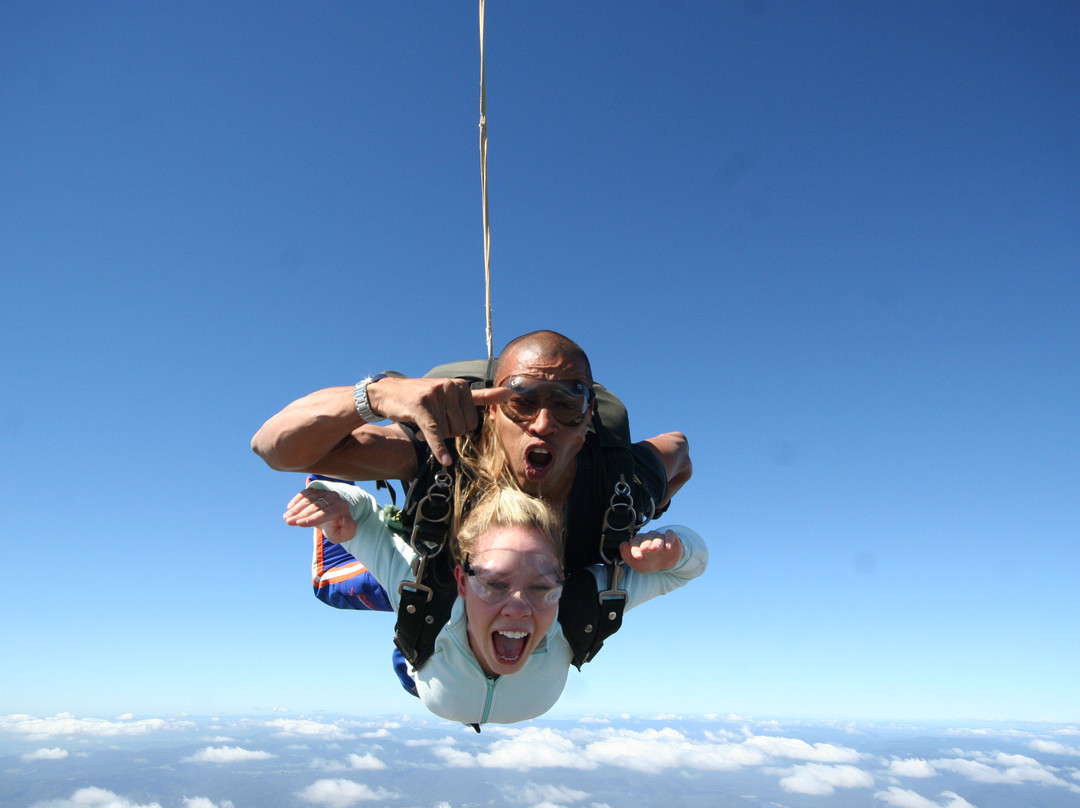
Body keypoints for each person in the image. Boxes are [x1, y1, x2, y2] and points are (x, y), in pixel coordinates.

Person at [252, 330, 693, 572]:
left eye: (566, 405)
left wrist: (646, 507)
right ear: (494, 412)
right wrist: (377, 396)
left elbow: (680, 451)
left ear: (589, 418)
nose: (543, 424)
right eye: (521, 401)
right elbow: (276, 450)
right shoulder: (443, 456)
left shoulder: (615, 481)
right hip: (443, 594)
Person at [285, 479, 707, 727]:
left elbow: (686, 567)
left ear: (563, 582)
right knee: (334, 584)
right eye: (496, 583)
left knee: (364, 589)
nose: (519, 607)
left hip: (426, 647)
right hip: (429, 618)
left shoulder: (576, 604)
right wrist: (333, 497)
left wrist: (672, 551)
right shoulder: (420, 584)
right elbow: (361, 515)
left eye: (542, 587)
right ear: (462, 581)